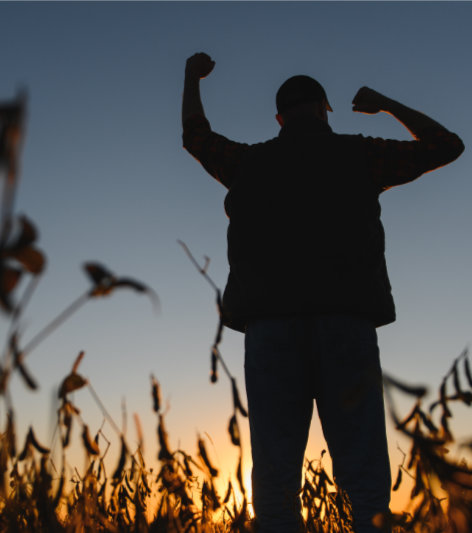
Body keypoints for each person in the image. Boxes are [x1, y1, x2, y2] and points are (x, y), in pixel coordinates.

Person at [181, 52, 464, 533]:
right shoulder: (360, 154)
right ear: (325, 110)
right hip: (346, 327)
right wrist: (385, 103)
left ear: (279, 118)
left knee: (274, 483)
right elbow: (446, 145)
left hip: (269, 331)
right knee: (366, 478)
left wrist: (191, 77)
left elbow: (196, 137)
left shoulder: (248, 164)